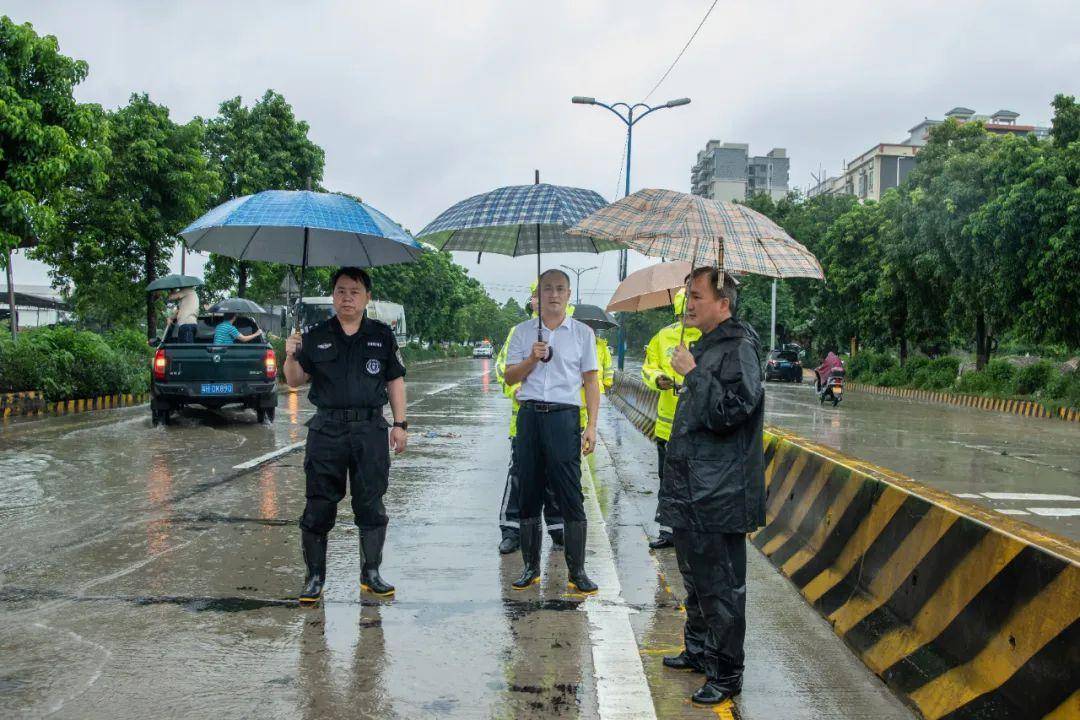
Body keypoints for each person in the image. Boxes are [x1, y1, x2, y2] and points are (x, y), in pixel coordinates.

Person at [659, 268, 765, 706]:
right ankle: (699, 650)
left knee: (721, 587)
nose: (689, 302)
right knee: (694, 578)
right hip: (692, 489)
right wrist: (687, 373)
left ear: (723, 304)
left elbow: (729, 412)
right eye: (688, 294)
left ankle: (726, 674)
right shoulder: (707, 346)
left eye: (697, 295)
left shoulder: (739, 348)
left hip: (719, 493)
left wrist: (693, 373)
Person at [283, 267, 409, 604]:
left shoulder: (381, 336)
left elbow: (394, 381)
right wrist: (290, 353)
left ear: (367, 296)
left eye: (354, 291)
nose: (347, 297)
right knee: (319, 505)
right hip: (327, 431)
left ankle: (371, 573)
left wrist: (400, 424)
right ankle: (314, 577)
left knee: (370, 503)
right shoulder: (315, 335)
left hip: (370, 430)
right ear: (333, 296)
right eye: (340, 291)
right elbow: (294, 381)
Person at [503, 269, 600, 594]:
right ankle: (530, 567)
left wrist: (592, 426)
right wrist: (532, 357)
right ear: (539, 294)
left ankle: (578, 570)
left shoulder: (583, 334)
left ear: (568, 294)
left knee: (570, 493)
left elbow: (590, 380)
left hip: (564, 418)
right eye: (547, 289)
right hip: (530, 417)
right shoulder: (521, 332)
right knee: (527, 491)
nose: (554, 295)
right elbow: (510, 377)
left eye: (560, 289)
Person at [494, 285, 565, 554]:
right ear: (533, 301)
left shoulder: (573, 333)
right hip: (524, 421)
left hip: (560, 420)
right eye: (537, 295)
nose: (544, 299)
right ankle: (512, 529)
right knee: (520, 476)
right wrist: (516, 390)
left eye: (552, 292)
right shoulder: (518, 332)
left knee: (557, 477)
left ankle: (559, 529)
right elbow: (503, 370)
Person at [640, 289, 701, 549]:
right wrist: (658, 379)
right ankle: (667, 530)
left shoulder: (709, 337)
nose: (687, 317)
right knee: (668, 479)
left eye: (691, 311)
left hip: (699, 424)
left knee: (695, 481)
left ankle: (694, 530)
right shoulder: (663, 337)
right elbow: (648, 367)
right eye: (682, 313)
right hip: (667, 426)